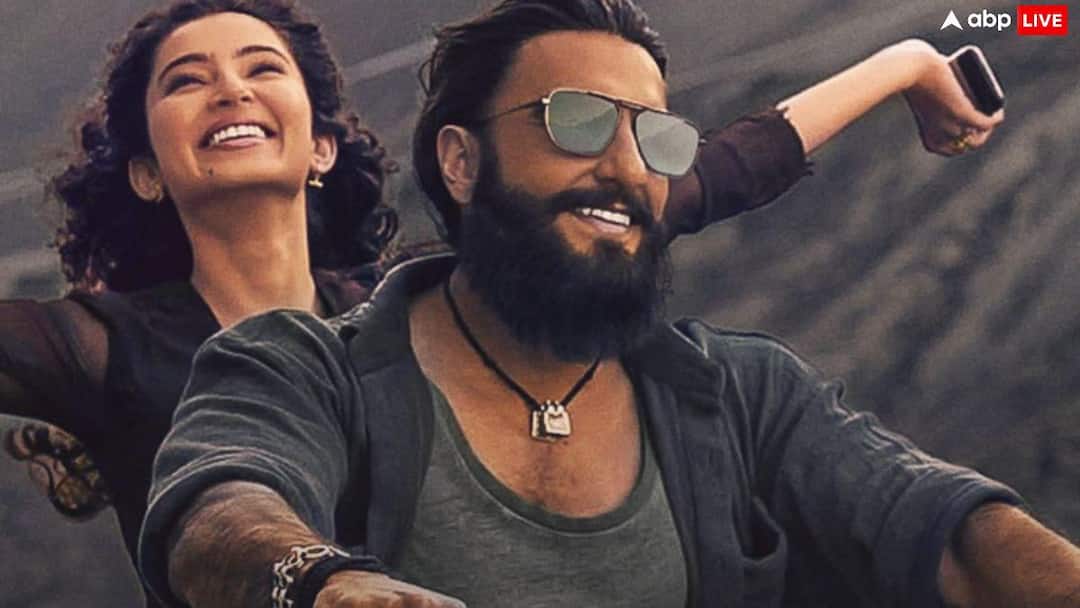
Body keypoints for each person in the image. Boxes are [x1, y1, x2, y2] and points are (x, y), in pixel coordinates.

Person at [138, 1, 1080, 607]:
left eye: (656, 137)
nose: (626, 166)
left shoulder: (744, 395)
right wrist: (324, 583)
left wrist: (908, 61)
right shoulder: (302, 368)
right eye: (576, 121)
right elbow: (216, 507)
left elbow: (947, 530)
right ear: (460, 162)